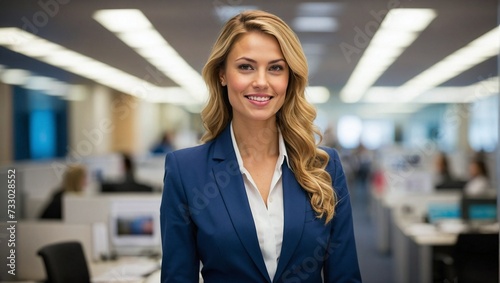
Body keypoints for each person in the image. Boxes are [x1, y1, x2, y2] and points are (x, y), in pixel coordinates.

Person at [160, 10, 361, 283]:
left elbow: (345, 275)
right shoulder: (186, 171)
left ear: (289, 79)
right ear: (222, 74)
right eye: (246, 66)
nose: (262, 82)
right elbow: (178, 277)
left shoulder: (325, 166)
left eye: (276, 68)